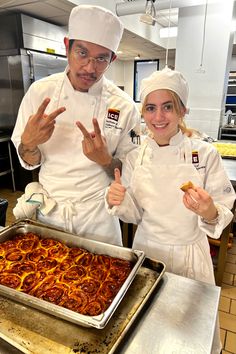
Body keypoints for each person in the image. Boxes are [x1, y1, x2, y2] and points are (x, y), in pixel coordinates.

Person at [106, 68, 236, 352]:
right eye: (151, 108)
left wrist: (209, 210)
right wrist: (119, 199)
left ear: (182, 110)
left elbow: (223, 209)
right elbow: (134, 214)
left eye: (168, 107)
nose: (159, 116)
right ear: (143, 112)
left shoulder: (204, 154)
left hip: (190, 254)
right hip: (148, 253)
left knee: (189, 338)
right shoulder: (135, 157)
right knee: (145, 334)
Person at [11, 5, 140, 246]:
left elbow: (132, 169)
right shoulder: (40, 92)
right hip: (51, 212)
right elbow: (28, 159)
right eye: (82, 53)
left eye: (101, 58)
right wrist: (29, 143)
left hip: (98, 216)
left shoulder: (124, 106)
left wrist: (105, 160)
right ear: (67, 45)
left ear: (113, 59)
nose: (90, 68)